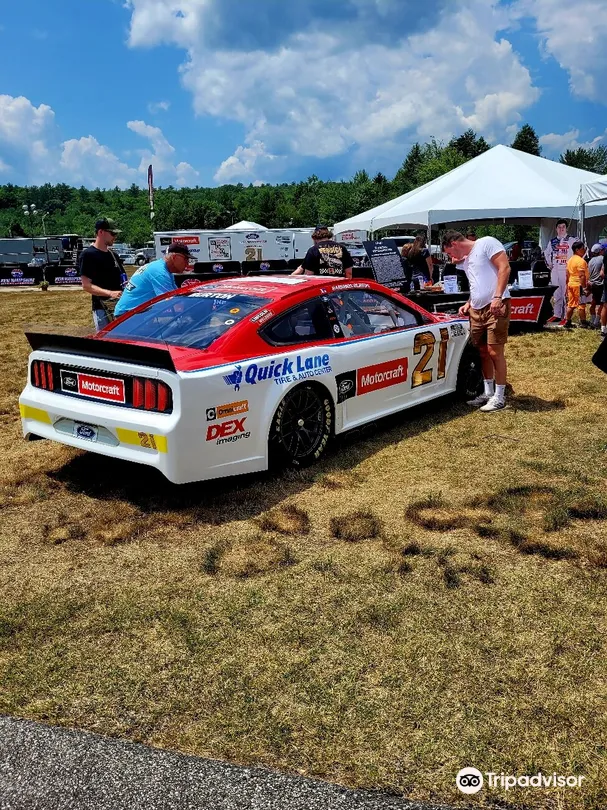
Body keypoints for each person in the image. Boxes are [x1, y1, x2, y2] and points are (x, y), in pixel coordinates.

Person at [442, 230, 511, 412]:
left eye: (449, 253)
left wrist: (497, 297)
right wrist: (469, 303)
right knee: (482, 351)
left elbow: (504, 267)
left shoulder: (487, 243)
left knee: (494, 350)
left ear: (454, 244)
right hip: (477, 309)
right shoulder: (467, 260)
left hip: (495, 305)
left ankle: (500, 395)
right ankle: (488, 392)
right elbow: (477, 283)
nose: (451, 258)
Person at [114, 242, 194, 317]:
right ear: (174, 257)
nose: (187, 263)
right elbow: (171, 302)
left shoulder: (163, 269)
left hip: (134, 313)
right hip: (127, 315)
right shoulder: (159, 272)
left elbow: (176, 295)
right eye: (185, 259)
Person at [79, 218, 126, 331]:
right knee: (107, 342)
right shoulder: (88, 255)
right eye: (112, 233)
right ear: (101, 232)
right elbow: (86, 285)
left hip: (120, 307)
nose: (115, 237)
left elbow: (123, 279)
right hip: (102, 309)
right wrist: (110, 293)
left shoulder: (114, 255)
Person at [544, 219, 576, 325]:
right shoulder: (552, 241)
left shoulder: (572, 240)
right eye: (559, 227)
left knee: (566, 293)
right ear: (556, 229)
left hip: (566, 270)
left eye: (563, 227)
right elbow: (546, 253)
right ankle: (557, 315)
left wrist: (572, 264)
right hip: (555, 270)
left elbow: (582, 252)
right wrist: (549, 264)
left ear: (566, 228)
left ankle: (566, 317)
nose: (561, 229)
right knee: (557, 293)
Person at [564, 241, 590, 330]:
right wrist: (584, 287)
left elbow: (567, 274)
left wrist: (567, 285)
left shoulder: (570, 260)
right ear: (577, 249)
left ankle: (567, 322)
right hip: (578, 285)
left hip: (571, 284)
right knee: (581, 305)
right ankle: (583, 322)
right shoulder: (581, 261)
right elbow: (582, 275)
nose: (584, 250)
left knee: (570, 304)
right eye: (583, 248)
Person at [587, 244, 604, 328]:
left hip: (592, 284)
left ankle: (592, 320)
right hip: (600, 284)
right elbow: (602, 273)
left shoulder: (591, 260)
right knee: (603, 304)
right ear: (600, 251)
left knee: (593, 302)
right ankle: (596, 322)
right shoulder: (602, 259)